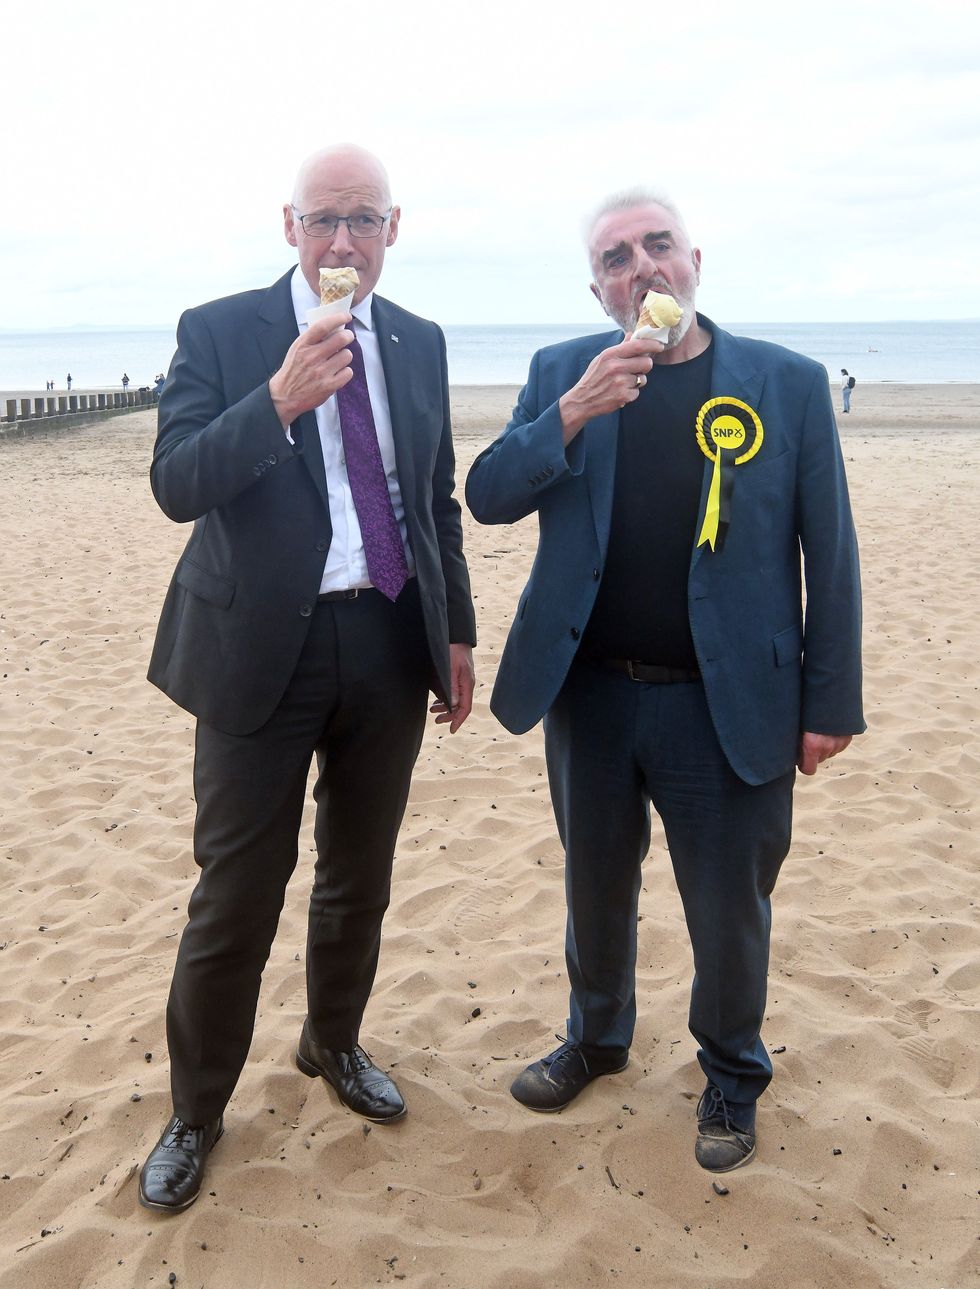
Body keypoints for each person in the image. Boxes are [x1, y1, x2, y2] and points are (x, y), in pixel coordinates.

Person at [466, 187, 863, 1174]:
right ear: (597, 287)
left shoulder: (786, 383)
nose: (638, 267)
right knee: (593, 882)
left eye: (655, 246)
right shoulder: (562, 370)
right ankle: (595, 1036)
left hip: (725, 700)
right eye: (613, 257)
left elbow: (832, 552)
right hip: (589, 693)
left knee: (727, 901)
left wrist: (829, 701)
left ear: (694, 260)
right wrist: (570, 410)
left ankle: (730, 1069)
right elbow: (486, 495)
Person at [139, 143, 476, 1214]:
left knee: (357, 875)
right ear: (288, 226)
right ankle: (195, 1109)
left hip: (384, 636)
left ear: (392, 230)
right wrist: (276, 399)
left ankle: (331, 1042)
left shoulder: (415, 341)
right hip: (256, 651)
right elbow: (175, 482)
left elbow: (433, 497)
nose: (342, 241)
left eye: (362, 220)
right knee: (236, 890)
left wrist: (453, 631)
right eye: (323, 219)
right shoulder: (221, 329)